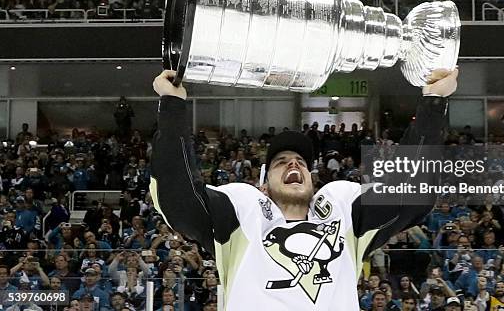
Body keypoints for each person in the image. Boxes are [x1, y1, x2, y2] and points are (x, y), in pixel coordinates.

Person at [150, 68, 458, 310]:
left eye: (300, 161)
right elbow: (178, 198)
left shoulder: (342, 212)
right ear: (265, 186)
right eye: (281, 162)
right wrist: (173, 107)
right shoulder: (243, 212)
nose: (294, 165)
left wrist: (433, 104)